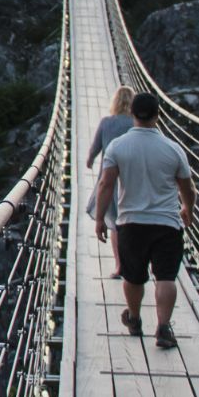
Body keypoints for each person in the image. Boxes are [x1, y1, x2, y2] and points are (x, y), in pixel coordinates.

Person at [94, 91, 195, 351]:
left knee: (133, 276)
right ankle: (163, 327)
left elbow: (106, 184)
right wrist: (188, 210)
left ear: (132, 115)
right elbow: (188, 187)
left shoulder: (118, 146)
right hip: (167, 224)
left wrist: (100, 219)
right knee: (166, 277)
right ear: (158, 115)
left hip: (131, 223)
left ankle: (135, 318)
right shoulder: (173, 149)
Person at [85, 86, 137, 279]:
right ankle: (134, 262)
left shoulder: (106, 123)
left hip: (110, 178)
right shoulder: (136, 123)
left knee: (115, 224)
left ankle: (119, 265)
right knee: (131, 221)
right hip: (132, 178)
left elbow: (95, 147)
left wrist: (90, 160)